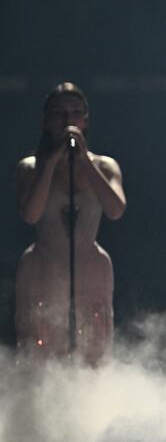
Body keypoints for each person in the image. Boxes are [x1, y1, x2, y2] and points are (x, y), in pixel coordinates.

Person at [15, 82, 126, 366]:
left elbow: (115, 209)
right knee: (41, 350)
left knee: (93, 349)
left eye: (75, 112)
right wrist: (51, 162)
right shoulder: (30, 167)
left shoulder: (105, 166)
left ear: (86, 120)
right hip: (44, 268)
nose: (68, 120)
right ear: (46, 120)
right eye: (59, 113)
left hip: (90, 267)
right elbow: (31, 214)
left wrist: (84, 161)